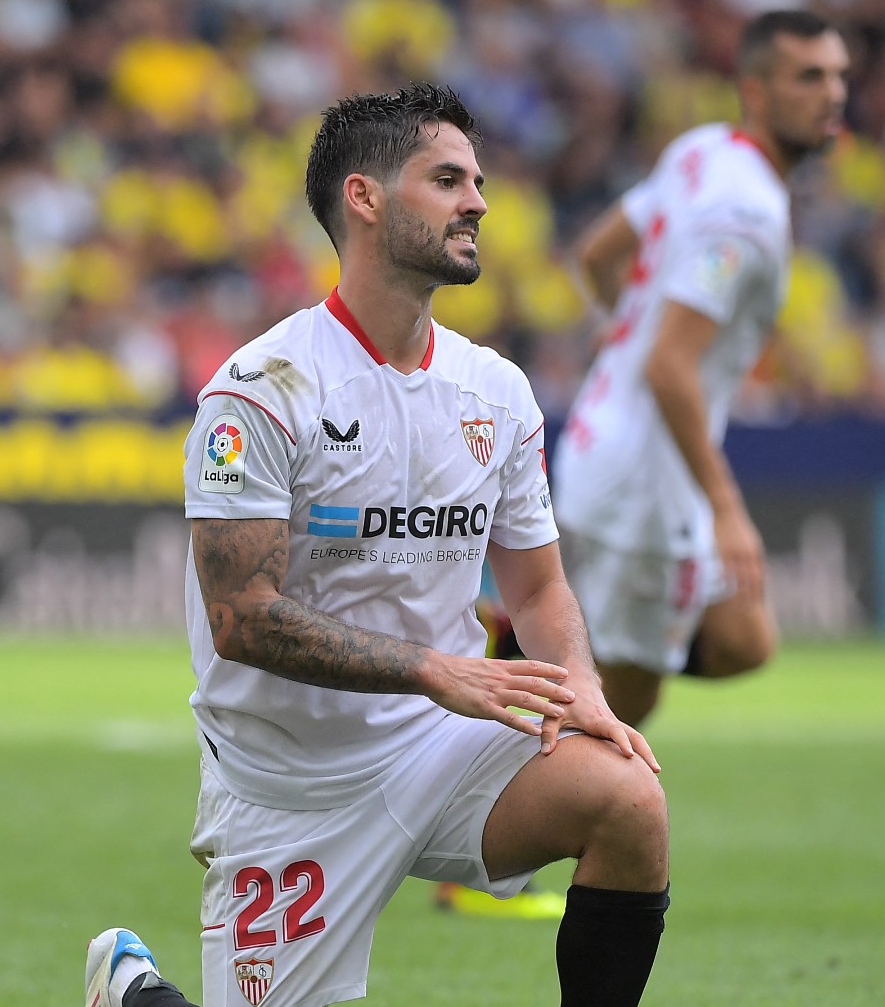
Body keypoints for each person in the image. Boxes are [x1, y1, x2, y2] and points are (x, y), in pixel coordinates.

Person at [84, 83, 669, 1007]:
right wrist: (436, 669)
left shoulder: (497, 392)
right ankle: (137, 994)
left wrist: (581, 686)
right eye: (447, 179)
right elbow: (243, 619)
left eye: (477, 180)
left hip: (442, 749)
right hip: (290, 785)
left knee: (630, 797)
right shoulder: (261, 391)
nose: (477, 200)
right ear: (365, 198)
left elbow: (540, 588)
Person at [550, 11, 850, 726]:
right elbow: (669, 368)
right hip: (647, 490)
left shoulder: (703, 150)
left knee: (744, 639)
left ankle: (514, 654)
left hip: (600, 441)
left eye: (839, 75)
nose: (832, 93)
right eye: (809, 77)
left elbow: (597, 256)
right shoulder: (743, 211)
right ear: (755, 88)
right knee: (604, 731)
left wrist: (623, 325)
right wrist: (727, 509)